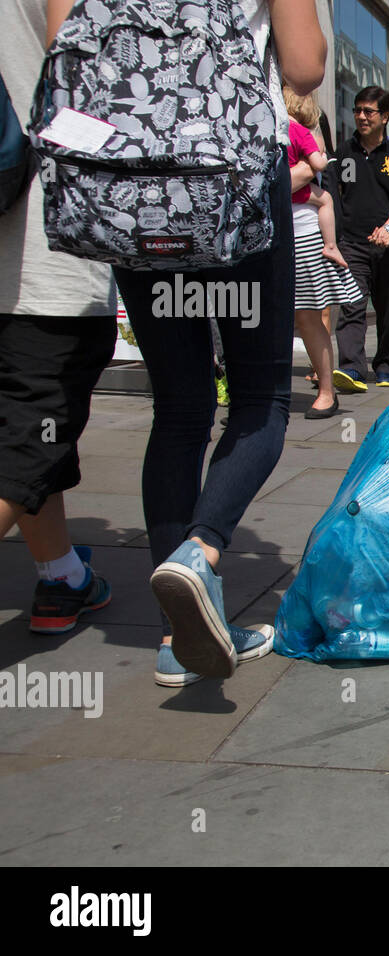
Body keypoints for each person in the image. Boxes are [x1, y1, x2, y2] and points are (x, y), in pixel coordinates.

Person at [109, 0, 327, 685]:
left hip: (134, 177)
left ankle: (180, 639)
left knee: (178, 408)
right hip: (233, 170)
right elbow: (305, 66)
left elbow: (69, 49)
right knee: (261, 397)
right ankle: (200, 551)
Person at [0, 0, 118, 637]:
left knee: (31, 437)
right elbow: (78, 68)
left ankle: (61, 577)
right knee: (29, 436)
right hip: (42, 254)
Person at [330, 85, 389, 392]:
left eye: (369, 111)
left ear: (386, 116)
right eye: (357, 110)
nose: (362, 117)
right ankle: (351, 367)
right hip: (352, 242)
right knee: (352, 303)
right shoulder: (344, 152)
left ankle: (384, 365)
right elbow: (334, 195)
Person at [283, 88, 361, 419]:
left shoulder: (300, 127)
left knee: (308, 315)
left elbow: (308, 171)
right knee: (265, 318)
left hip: (301, 233)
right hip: (264, 234)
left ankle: (327, 391)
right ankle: (260, 400)